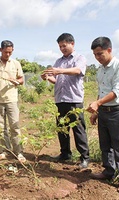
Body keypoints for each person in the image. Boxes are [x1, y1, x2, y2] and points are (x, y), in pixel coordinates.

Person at [86, 36, 119, 194]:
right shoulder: (100, 70)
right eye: (95, 55)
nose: (98, 57)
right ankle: (108, 172)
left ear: (109, 50)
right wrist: (97, 111)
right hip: (104, 112)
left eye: (100, 54)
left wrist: (97, 103)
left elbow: (116, 92)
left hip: (116, 112)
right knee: (105, 145)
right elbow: (102, 91)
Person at [41, 33, 90, 168]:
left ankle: (84, 157)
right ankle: (65, 153)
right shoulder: (59, 61)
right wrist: (47, 77)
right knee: (62, 128)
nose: (62, 48)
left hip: (73, 100)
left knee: (78, 129)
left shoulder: (79, 58)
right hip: (60, 100)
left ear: (72, 44)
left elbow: (77, 71)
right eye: (60, 46)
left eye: (64, 45)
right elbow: (56, 80)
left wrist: (60, 71)